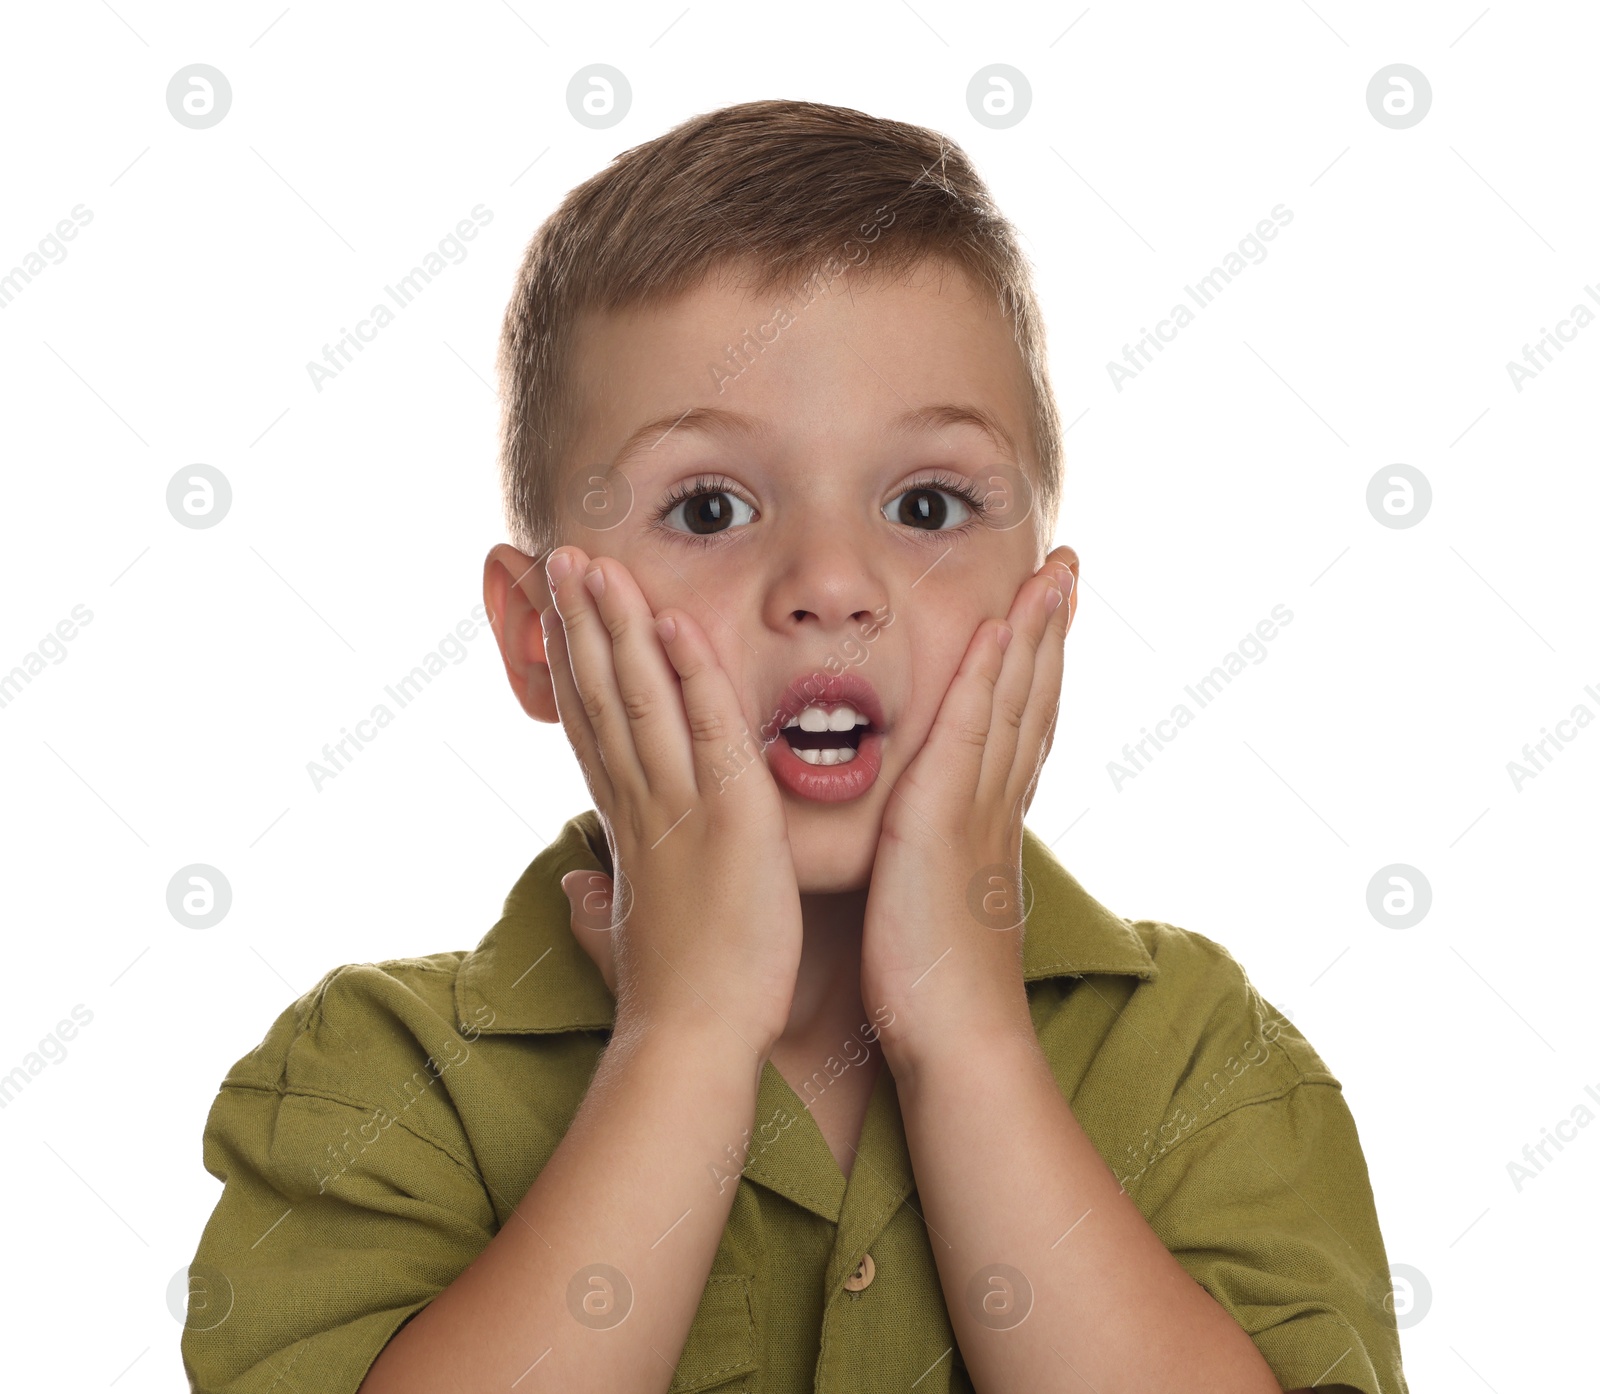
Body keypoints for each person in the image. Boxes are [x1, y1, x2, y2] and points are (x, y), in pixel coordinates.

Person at [181, 99, 1409, 1393]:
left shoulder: (1210, 1064)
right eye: (709, 506)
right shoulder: (369, 1079)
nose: (830, 582)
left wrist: (969, 1039)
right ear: (539, 630)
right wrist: (688, 1033)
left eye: (926, 503)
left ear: (1046, 605)